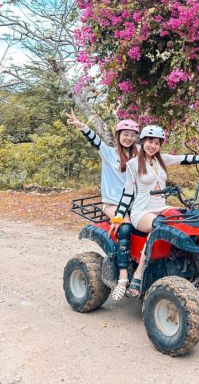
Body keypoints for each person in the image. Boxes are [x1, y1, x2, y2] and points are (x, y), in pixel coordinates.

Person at [111, 124, 199, 298]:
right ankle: (138, 274)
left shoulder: (161, 160)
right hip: (142, 211)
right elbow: (127, 193)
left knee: (191, 217)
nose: (152, 146)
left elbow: (184, 159)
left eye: (156, 142)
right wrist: (118, 217)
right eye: (149, 141)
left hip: (161, 207)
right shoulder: (133, 164)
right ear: (143, 141)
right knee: (160, 225)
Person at [66, 109, 139, 300]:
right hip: (113, 203)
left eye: (132, 135)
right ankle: (123, 278)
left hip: (135, 203)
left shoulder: (138, 157)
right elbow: (94, 139)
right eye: (125, 134)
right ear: (119, 136)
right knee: (125, 227)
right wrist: (81, 126)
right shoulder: (108, 153)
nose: (129, 138)